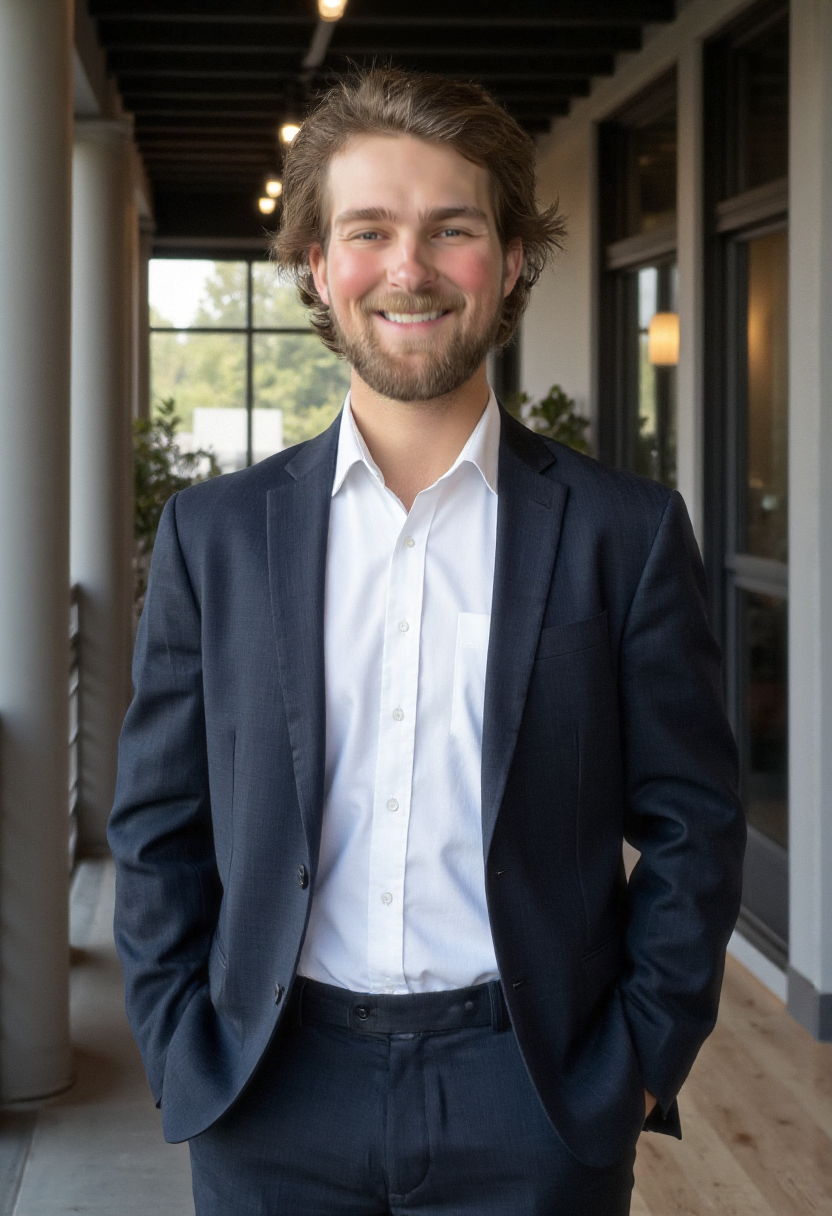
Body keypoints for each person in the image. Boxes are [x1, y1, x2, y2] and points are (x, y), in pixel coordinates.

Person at [109, 68, 746, 1215]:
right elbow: (160, 825)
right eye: (369, 231)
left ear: (506, 263)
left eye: (450, 230)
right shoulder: (215, 536)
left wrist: (640, 1054)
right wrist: (175, 1040)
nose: (408, 268)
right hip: (271, 1091)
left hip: (534, 1095)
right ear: (316, 264)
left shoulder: (623, 533)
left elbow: (693, 821)